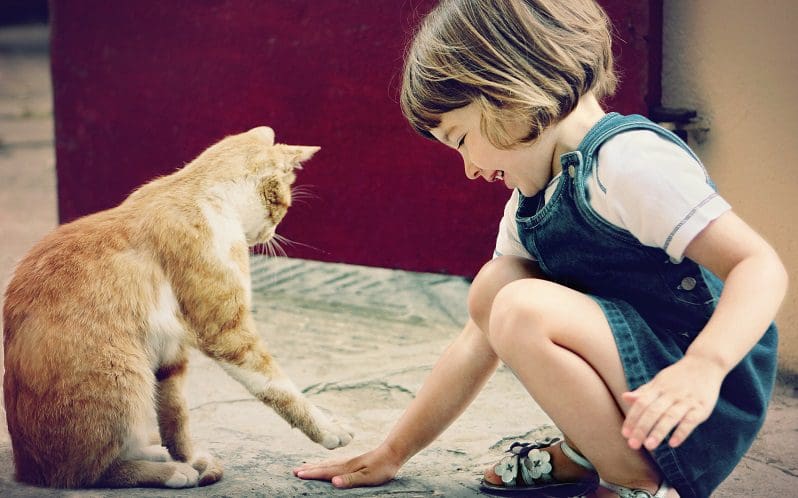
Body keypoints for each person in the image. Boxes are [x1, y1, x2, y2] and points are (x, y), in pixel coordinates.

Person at [293, 1, 786, 497]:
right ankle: (584, 454)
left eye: (461, 139)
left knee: (520, 306)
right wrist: (393, 451)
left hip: (695, 402)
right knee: (496, 288)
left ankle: (634, 482)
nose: (468, 169)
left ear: (509, 91)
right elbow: (476, 339)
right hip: (645, 393)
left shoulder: (630, 162)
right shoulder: (534, 198)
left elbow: (758, 265)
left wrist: (704, 366)